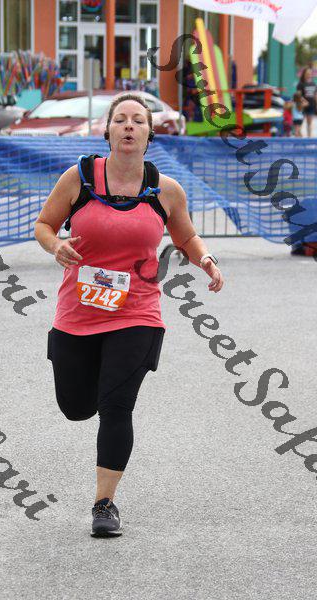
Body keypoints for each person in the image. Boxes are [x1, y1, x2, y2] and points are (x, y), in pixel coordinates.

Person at [34, 93, 224, 538]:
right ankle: (87, 393)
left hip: (137, 312)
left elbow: (186, 237)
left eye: (138, 120)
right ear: (107, 131)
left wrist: (206, 258)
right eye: (120, 119)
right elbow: (44, 225)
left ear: (149, 134)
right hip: (78, 313)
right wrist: (56, 245)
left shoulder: (165, 190)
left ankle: (104, 504)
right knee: (76, 407)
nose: (129, 126)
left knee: (116, 406)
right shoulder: (79, 178)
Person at [296, 67, 317, 137]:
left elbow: (315, 95)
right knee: (299, 124)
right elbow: (298, 95)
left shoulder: (313, 83)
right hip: (303, 106)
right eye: (307, 73)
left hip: (311, 106)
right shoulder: (301, 84)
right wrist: (304, 102)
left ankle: (309, 138)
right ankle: (299, 138)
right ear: (304, 74)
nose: (309, 74)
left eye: (310, 73)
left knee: (309, 124)